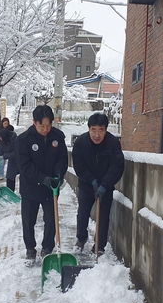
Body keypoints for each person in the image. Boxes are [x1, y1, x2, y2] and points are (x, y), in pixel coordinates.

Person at [17, 105, 68, 260]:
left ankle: (47, 248)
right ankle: (30, 248)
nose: (46, 129)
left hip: (51, 188)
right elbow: (24, 165)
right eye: (42, 126)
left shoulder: (57, 137)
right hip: (30, 188)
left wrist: (58, 175)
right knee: (28, 220)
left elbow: (62, 158)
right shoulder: (24, 140)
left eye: (48, 125)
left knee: (51, 220)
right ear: (34, 122)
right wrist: (41, 178)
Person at [71, 113, 124, 256]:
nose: (97, 134)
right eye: (93, 130)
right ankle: (81, 239)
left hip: (105, 187)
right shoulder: (81, 143)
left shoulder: (113, 143)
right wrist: (92, 180)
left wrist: (104, 185)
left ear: (106, 130)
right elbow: (79, 166)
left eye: (101, 130)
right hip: (86, 185)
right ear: (88, 129)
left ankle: (99, 246)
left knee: (103, 216)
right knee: (83, 213)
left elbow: (117, 166)